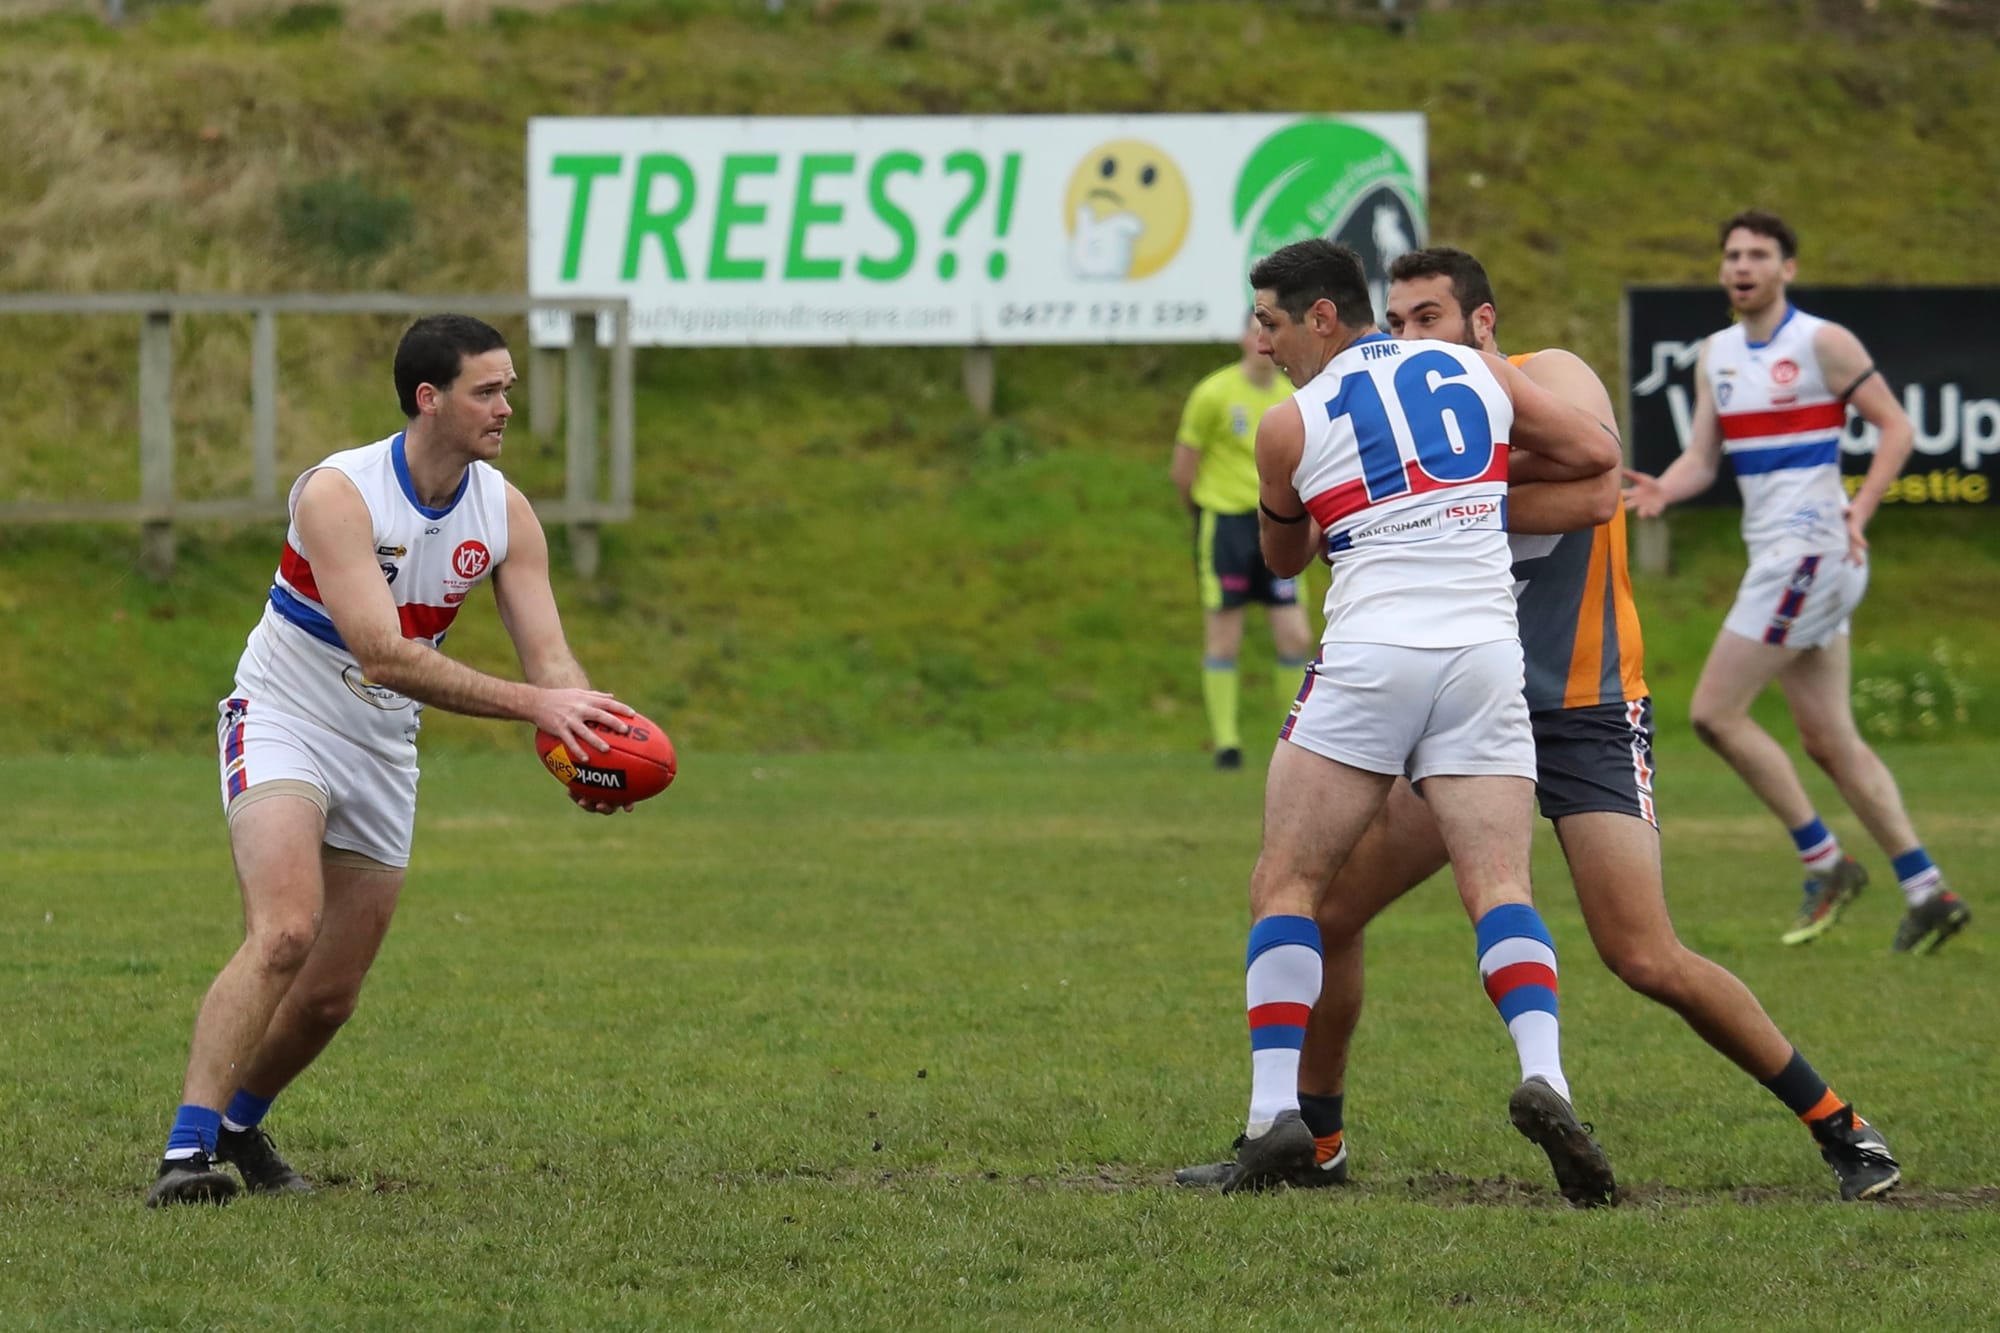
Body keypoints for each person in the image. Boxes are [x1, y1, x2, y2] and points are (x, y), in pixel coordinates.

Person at [1178, 246, 1901, 1203]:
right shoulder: (1415, 413)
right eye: (1397, 321)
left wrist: (1419, 499)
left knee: (1644, 954)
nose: (1409, 338)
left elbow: (1599, 490)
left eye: (1429, 316)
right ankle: (1318, 1140)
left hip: (1589, 703)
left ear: (1483, 321)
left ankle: (1841, 1124)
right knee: (1333, 905)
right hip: (1474, 699)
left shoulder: (1542, 376)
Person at [146, 314, 636, 1207]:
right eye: (488, 390)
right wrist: (536, 706)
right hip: (284, 718)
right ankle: (184, 1155)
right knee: (286, 930)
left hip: (381, 747)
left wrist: (585, 740)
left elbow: (551, 660)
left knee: (330, 997)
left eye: (509, 388)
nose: (506, 407)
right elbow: (385, 653)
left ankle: (240, 1128)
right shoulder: (341, 494)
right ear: (429, 398)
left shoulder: (505, 511)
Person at [1207, 239, 1624, 1200]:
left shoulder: (1287, 425)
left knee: (1288, 881)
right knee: (1500, 885)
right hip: (1484, 654)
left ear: (1320, 316)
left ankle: (1277, 1116)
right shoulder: (1475, 369)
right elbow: (1599, 458)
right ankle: (1546, 1075)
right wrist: (1468, 490)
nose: (1260, 342)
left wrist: (1360, 513)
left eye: (1269, 321)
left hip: (1373, 653)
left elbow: (1284, 557)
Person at [1624, 210, 1970, 954]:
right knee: (1828, 739)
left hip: (1810, 551)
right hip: (1784, 557)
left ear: (1788, 269)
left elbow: (1897, 428)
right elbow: (1702, 459)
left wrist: (1862, 507)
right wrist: (1663, 490)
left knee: (1716, 712)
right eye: (1732, 255)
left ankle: (1826, 861)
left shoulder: (1821, 341)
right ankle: (1927, 888)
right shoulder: (1714, 353)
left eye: (1759, 254)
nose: (1742, 266)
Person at [1171, 313, 1318, 770]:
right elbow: (1184, 469)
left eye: (1270, 331)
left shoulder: (1292, 397)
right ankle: (1227, 744)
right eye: (1255, 330)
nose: (1262, 341)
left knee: (1295, 635)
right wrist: (1204, 514)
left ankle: (1291, 739)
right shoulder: (1213, 393)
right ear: (1241, 338)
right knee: (1224, 637)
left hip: (1278, 523)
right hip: (1228, 525)